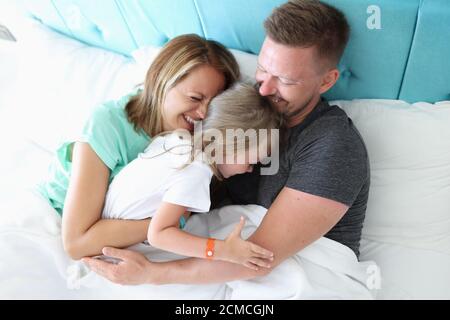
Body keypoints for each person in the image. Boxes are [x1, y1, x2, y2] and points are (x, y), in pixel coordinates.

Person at [83, 0, 370, 286]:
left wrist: (151, 273)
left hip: (304, 273)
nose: (266, 88)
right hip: (218, 254)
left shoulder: (333, 146)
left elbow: (260, 259)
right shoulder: (242, 107)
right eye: (263, 69)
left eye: (285, 80)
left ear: (326, 81)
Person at [38, 34, 240, 260]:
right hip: (58, 214)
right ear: (161, 81)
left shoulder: (200, 141)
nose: (203, 114)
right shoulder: (108, 124)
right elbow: (77, 243)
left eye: (212, 105)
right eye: (194, 98)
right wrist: (167, 226)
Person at [101, 83, 282, 271]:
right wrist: (224, 250)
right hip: (116, 255)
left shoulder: (177, 141)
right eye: (251, 161)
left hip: (112, 235)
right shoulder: (196, 171)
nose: (250, 170)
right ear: (229, 144)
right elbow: (159, 234)